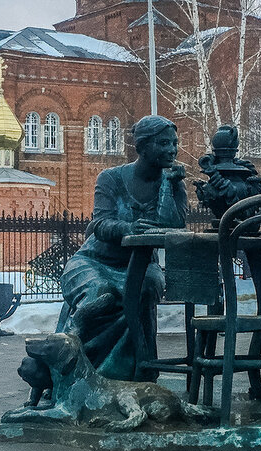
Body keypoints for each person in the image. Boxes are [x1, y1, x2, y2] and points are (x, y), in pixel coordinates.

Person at [58, 115, 187, 381]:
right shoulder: (111, 178)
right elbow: (100, 224)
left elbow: (174, 225)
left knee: (148, 286)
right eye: (164, 143)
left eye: (174, 143)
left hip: (141, 265)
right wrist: (127, 229)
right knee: (99, 294)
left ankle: (140, 369)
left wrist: (169, 186)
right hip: (95, 261)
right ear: (143, 146)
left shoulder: (173, 181)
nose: (172, 150)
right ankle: (73, 371)